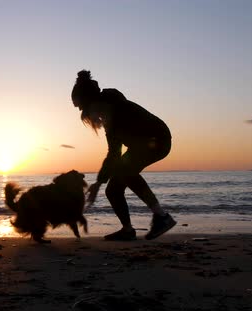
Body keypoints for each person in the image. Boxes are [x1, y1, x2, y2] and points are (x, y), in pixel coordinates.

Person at [71, 70, 176, 241]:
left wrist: (99, 181)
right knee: (113, 190)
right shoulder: (108, 114)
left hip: (158, 141)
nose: (83, 113)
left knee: (126, 171)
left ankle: (162, 217)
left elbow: (115, 155)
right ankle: (127, 230)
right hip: (141, 146)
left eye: (82, 107)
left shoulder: (116, 110)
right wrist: (99, 182)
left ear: (91, 101)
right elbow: (113, 153)